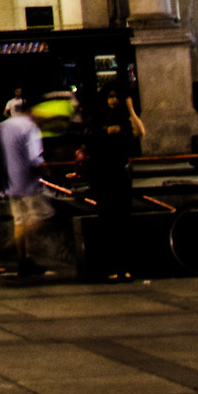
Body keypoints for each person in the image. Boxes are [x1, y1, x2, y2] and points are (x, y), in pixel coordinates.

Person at [81, 90, 144, 280]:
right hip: (104, 175)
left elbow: (140, 132)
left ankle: (124, 267)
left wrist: (131, 110)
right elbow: (89, 140)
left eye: (117, 97)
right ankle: (111, 268)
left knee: (123, 221)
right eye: (110, 96)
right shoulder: (96, 121)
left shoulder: (124, 121)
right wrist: (106, 132)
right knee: (108, 221)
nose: (114, 100)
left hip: (121, 175)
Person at [0, 100, 49, 277]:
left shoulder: (4, 126)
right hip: (27, 183)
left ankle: (23, 259)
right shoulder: (30, 127)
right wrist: (46, 169)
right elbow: (35, 158)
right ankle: (11, 244)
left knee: (20, 220)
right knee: (41, 218)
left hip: (10, 182)